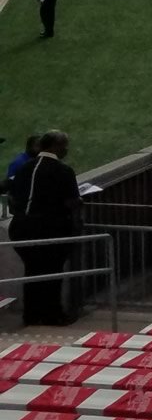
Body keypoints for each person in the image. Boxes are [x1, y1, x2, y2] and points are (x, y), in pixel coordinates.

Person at [9, 130, 80, 324]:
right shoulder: (63, 171)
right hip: (50, 228)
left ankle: (31, 315)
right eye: (64, 146)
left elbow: (14, 197)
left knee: (32, 271)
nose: (66, 150)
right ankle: (52, 315)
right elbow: (71, 202)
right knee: (51, 272)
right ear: (56, 147)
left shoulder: (24, 168)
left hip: (21, 228)